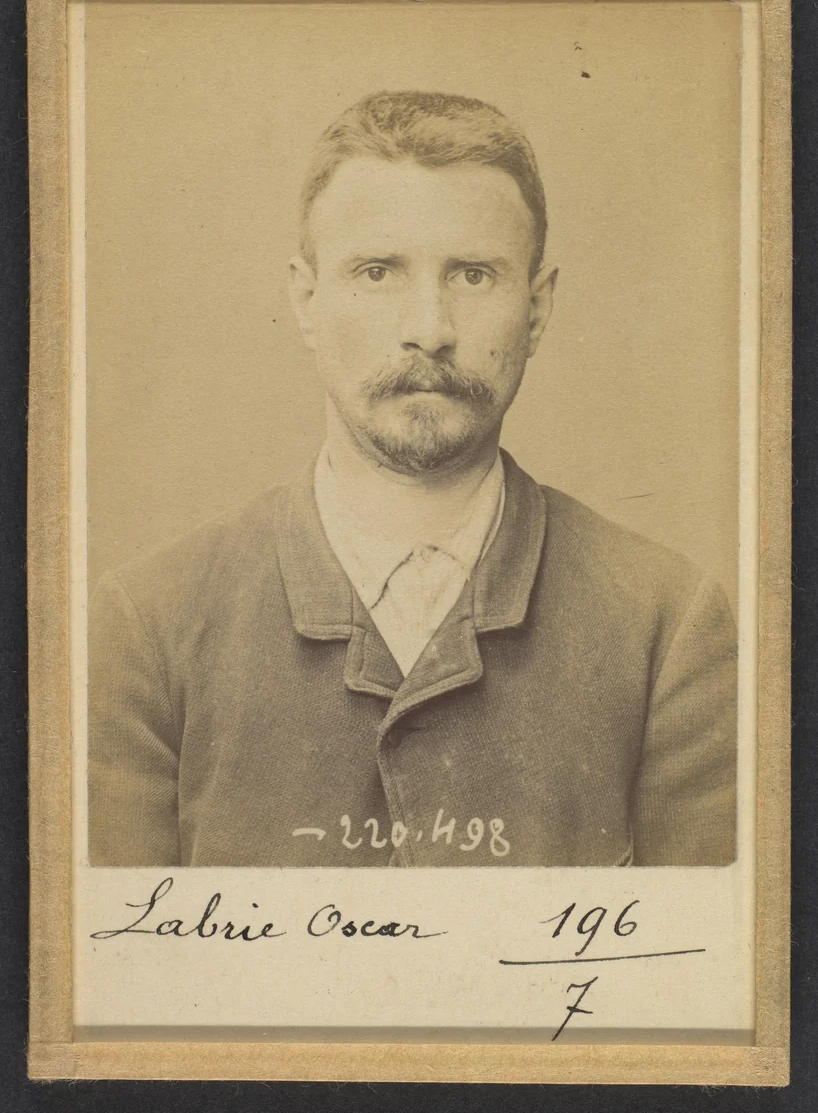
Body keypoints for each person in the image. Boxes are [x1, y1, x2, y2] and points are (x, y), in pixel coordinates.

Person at [88, 90, 737, 868]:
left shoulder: (668, 625)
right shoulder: (147, 625)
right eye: (376, 272)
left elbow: (697, 980)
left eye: (471, 275)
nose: (428, 328)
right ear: (305, 300)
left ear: (536, 308)